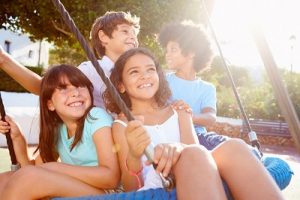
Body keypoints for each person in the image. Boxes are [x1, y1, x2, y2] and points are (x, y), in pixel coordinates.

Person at [103, 47, 284, 200]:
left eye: (150, 69)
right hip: (158, 186)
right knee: (194, 153)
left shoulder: (179, 111)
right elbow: (130, 189)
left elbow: (197, 156)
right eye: (134, 72)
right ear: (121, 85)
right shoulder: (123, 125)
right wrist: (134, 154)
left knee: (234, 147)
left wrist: (178, 148)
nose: (145, 76)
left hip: (194, 175)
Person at [0, 65, 119, 199]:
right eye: (63, 89)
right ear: (50, 104)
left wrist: (56, 168)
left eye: (80, 86)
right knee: (4, 180)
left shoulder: (96, 117)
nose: (75, 93)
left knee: (29, 177)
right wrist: (17, 138)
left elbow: (111, 177)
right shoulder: (59, 129)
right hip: (83, 189)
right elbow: (31, 170)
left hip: (110, 193)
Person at [0, 11, 140, 108]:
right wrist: (4, 60)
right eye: (125, 31)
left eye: (135, 33)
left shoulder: (140, 71)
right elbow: (42, 86)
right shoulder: (91, 70)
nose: (133, 37)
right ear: (103, 37)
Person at [158, 21, 228, 150]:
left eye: (173, 49)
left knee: (235, 147)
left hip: (199, 136)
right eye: (166, 50)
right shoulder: (163, 81)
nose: (167, 54)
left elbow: (210, 117)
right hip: (171, 136)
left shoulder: (206, 88)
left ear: (191, 53)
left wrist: (187, 115)